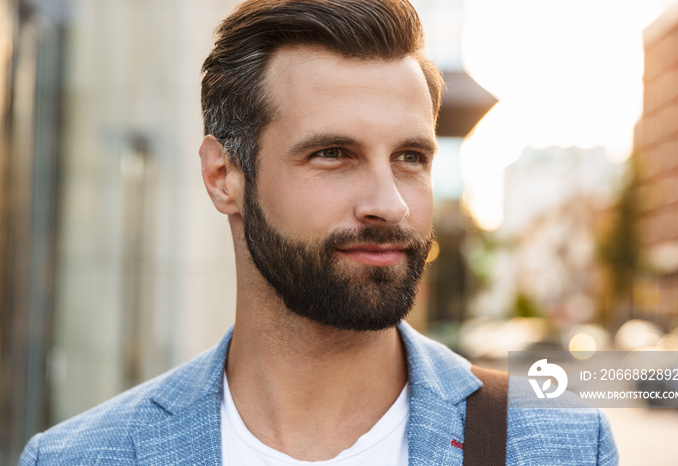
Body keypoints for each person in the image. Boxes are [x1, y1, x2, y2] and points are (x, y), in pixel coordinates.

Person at [20, 0, 618, 464]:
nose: (389, 204)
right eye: (334, 153)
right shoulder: (78, 456)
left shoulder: (559, 446)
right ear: (223, 176)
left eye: (411, 157)